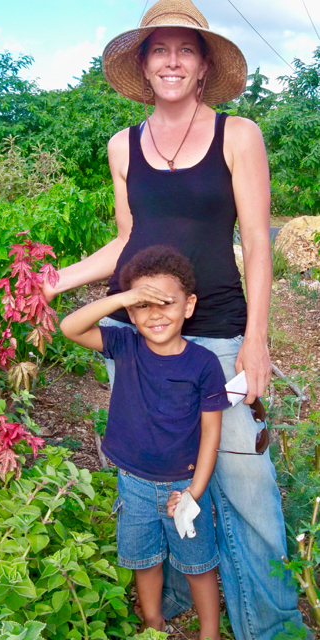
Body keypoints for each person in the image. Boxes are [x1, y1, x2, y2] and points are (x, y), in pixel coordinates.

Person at [43, 1, 310, 638]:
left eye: (184, 49)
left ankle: (269, 626)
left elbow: (258, 240)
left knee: (247, 488)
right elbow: (127, 242)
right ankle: (188, 602)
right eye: (159, 49)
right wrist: (52, 284)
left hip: (218, 333)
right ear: (143, 63)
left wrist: (255, 339)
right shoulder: (122, 146)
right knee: (162, 466)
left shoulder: (237, 135)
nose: (171, 60)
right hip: (146, 336)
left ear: (202, 65)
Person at [60, 246, 230, 640]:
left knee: (198, 564)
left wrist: (194, 492)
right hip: (133, 483)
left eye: (165, 303)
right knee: (144, 560)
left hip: (182, 488)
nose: (154, 315)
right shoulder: (125, 347)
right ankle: (153, 622)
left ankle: (210, 632)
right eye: (142, 306)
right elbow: (70, 327)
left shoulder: (203, 364)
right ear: (131, 313)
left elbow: (211, 434)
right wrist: (122, 298)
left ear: (189, 306)